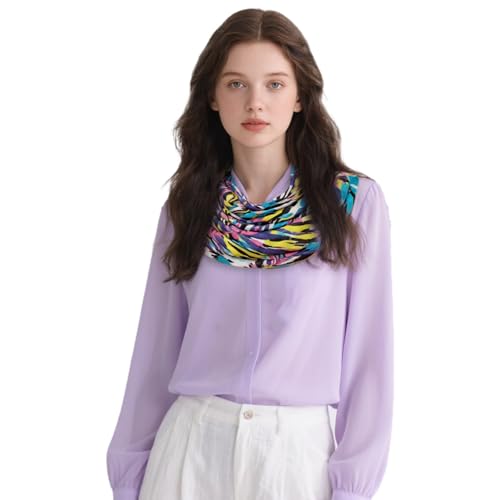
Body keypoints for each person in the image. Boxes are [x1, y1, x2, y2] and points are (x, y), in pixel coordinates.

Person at [106, 8, 394, 500]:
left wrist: (352, 486)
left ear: (300, 96)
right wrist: (129, 480)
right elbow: (154, 353)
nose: (255, 102)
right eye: (236, 84)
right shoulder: (189, 206)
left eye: (275, 85)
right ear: (213, 97)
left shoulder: (351, 204)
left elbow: (369, 360)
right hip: (189, 452)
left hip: (296, 461)